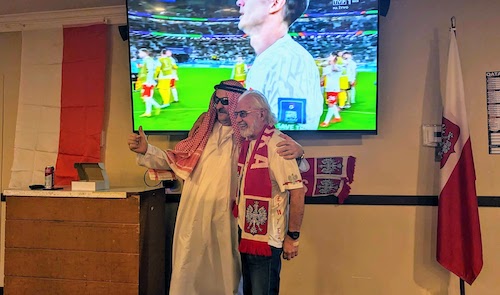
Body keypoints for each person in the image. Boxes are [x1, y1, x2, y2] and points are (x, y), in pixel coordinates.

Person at [127, 80, 304, 295]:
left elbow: (286, 163)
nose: (220, 106)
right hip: (194, 212)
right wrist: (147, 150)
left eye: (225, 101)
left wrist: (300, 150)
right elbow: (175, 160)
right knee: (189, 268)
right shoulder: (203, 132)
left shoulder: (251, 137)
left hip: (228, 217)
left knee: (226, 273)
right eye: (216, 100)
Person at [234, 90, 305, 295]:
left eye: (243, 114)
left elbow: (298, 193)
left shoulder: (278, 145)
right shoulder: (248, 143)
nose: (239, 119)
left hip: (267, 240)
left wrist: (293, 237)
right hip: (247, 233)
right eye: (237, 114)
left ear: (262, 114)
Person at [236, 0, 324, 130]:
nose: (239, 2)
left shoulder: (289, 62)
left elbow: (286, 141)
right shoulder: (271, 57)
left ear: (275, 4)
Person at [137, 48, 162, 117]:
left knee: (146, 97)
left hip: (148, 82)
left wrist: (149, 81)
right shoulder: (147, 60)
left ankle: (157, 106)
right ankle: (148, 112)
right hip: (146, 81)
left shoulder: (148, 60)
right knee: (147, 97)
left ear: (145, 53)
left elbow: (151, 71)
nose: (139, 54)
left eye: (140, 53)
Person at [320, 53, 342, 127]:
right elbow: (323, 76)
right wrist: (321, 81)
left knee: (330, 105)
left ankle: (326, 122)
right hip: (329, 88)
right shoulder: (327, 67)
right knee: (332, 103)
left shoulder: (339, 67)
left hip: (334, 88)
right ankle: (337, 117)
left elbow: (334, 69)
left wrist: (332, 62)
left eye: (330, 59)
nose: (329, 60)